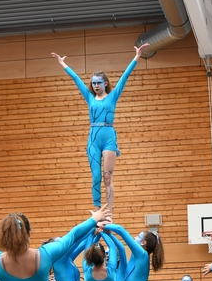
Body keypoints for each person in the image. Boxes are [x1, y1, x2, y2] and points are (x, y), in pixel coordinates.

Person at [52, 44, 147, 210]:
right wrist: (62, 63)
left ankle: (109, 212)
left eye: (99, 83)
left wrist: (137, 56)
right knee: (96, 176)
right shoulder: (89, 98)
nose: (95, 85)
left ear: (105, 83)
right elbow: (76, 79)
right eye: (93, 83)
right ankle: (97, 212)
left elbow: (125, 76)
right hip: (93, 138)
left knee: (107, 176)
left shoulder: (112, 97)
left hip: (109, 137)